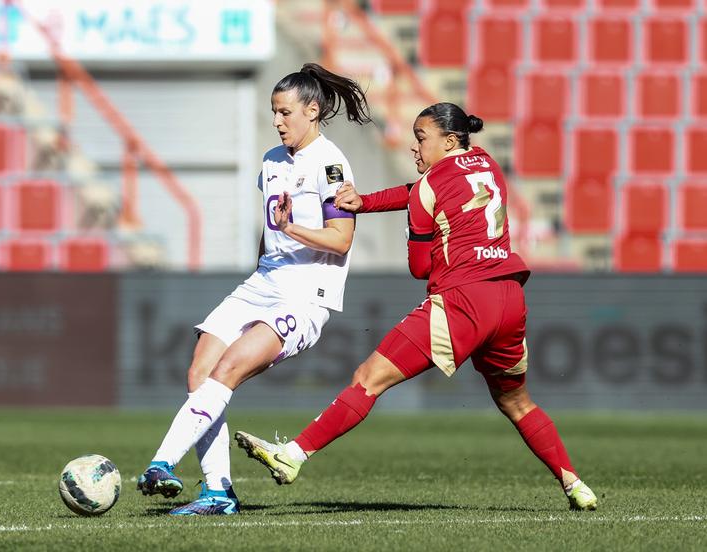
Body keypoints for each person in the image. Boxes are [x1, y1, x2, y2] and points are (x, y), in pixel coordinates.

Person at [235, 102, 598, 511]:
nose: (414, 148)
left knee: (368, 378)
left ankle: (293, 455)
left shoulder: (430, 186)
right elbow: (423, 191)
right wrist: (367, 202)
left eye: (421, 138)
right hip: (510, 297)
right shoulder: (487, 164)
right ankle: (575, 484)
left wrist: (415, 229)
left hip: (463, 300)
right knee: (518, 403)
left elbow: (419, 266)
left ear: (448, 140)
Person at [136, 63, 373, 515]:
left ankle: (161, 462)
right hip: (263, 281)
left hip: (304, 294)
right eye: (273, 112)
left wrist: (292, 227)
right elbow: (270, 234)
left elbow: (341, 240)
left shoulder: (331, 164)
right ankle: (218, 492)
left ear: (313, 110)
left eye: (285, 112)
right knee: (198, 374)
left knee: (227, 369)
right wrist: (262, 265)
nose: (278, 121)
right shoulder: (270, 160)